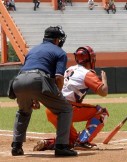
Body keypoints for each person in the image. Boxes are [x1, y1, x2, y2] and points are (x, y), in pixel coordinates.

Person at [9, 26, 77, 157]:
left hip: (18, 81)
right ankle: (61, 146)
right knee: (65, 109)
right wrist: (58, 93)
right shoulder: (59, 52)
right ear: (57, 40)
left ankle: (16, 146)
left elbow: (27, 74)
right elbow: (58, 77)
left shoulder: (32, 51)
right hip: (38, 80)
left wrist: (33, 98)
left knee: (23, 111)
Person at [33, 46, 109, 151]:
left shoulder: (70, 69)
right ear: (90, 59)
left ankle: (48, 143)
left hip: (51, 109)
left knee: (72, 141)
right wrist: (104, 79)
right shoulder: (87, 73)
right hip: (67, 108)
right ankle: (83, 142)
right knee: (102, 112)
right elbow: (103, 92)